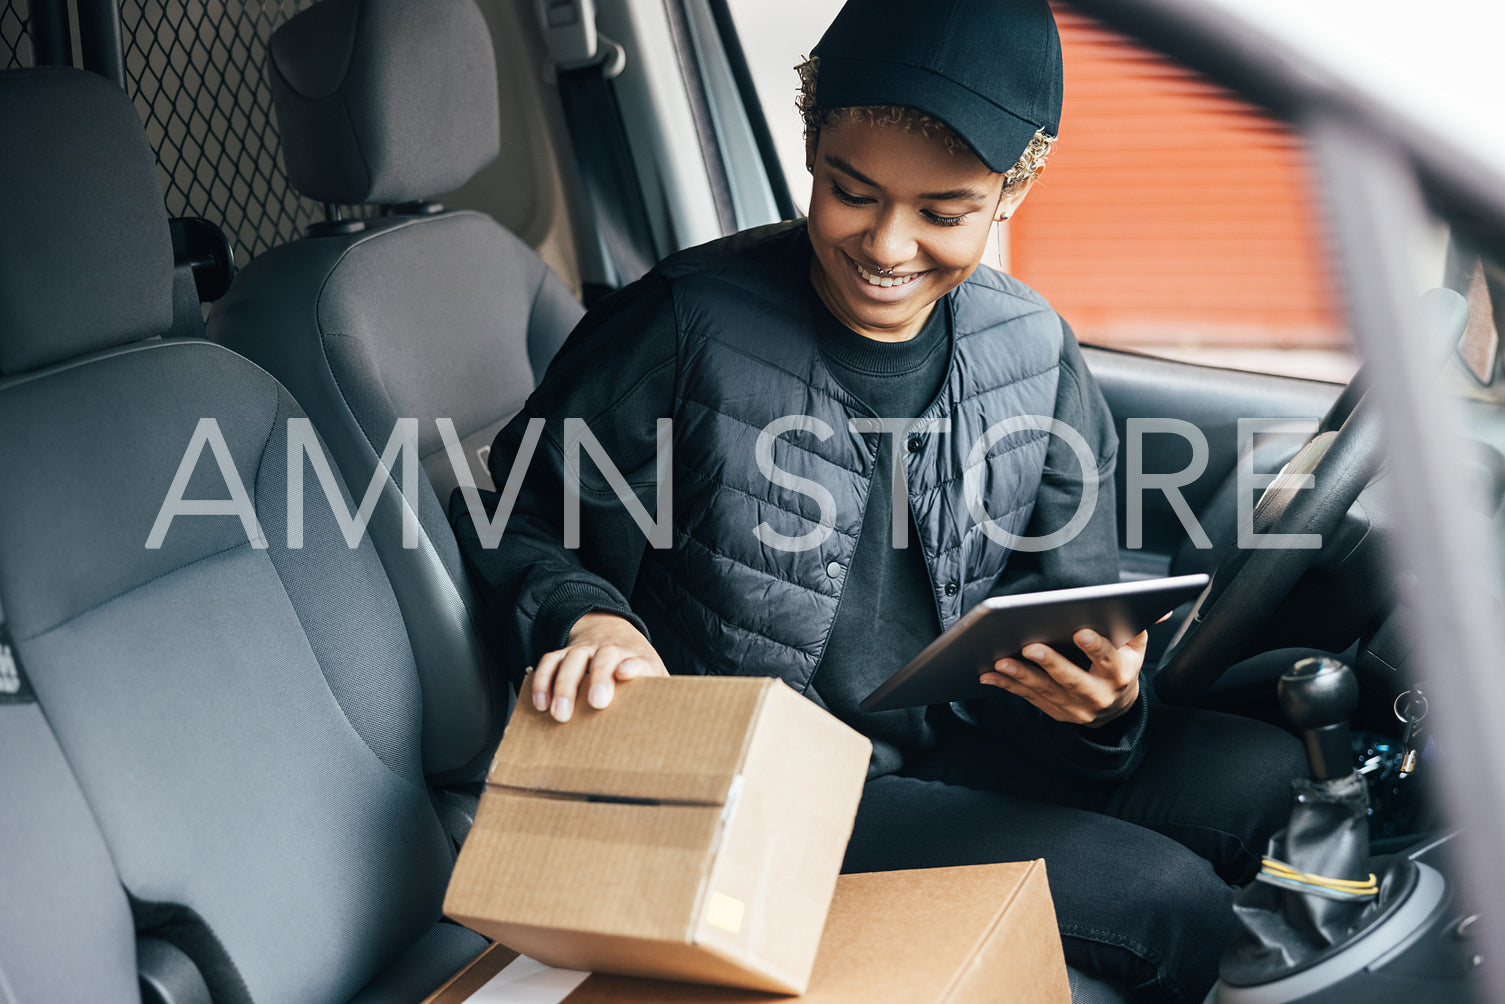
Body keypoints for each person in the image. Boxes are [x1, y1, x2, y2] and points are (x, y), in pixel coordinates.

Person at [454, 0, 1306, 998]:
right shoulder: (679, 323)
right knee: (1170, 901)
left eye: (942, 213)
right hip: (769, 779)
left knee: (1279, 780)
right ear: (810, 148)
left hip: (973, 733)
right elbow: (510, 513)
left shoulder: (1032, 343)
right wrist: (588, 616)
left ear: (1010, 192)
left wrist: (1105, 705)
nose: (887, 244)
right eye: (848, 191)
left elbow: (1076, 602)